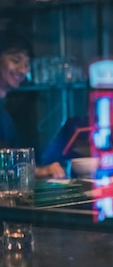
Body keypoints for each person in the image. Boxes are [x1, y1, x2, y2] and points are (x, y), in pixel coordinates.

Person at [0, 30, 66, 178]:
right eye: (16, 61)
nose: (23, 70)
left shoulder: (6, 111)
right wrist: (41, 171)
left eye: (26, 64)